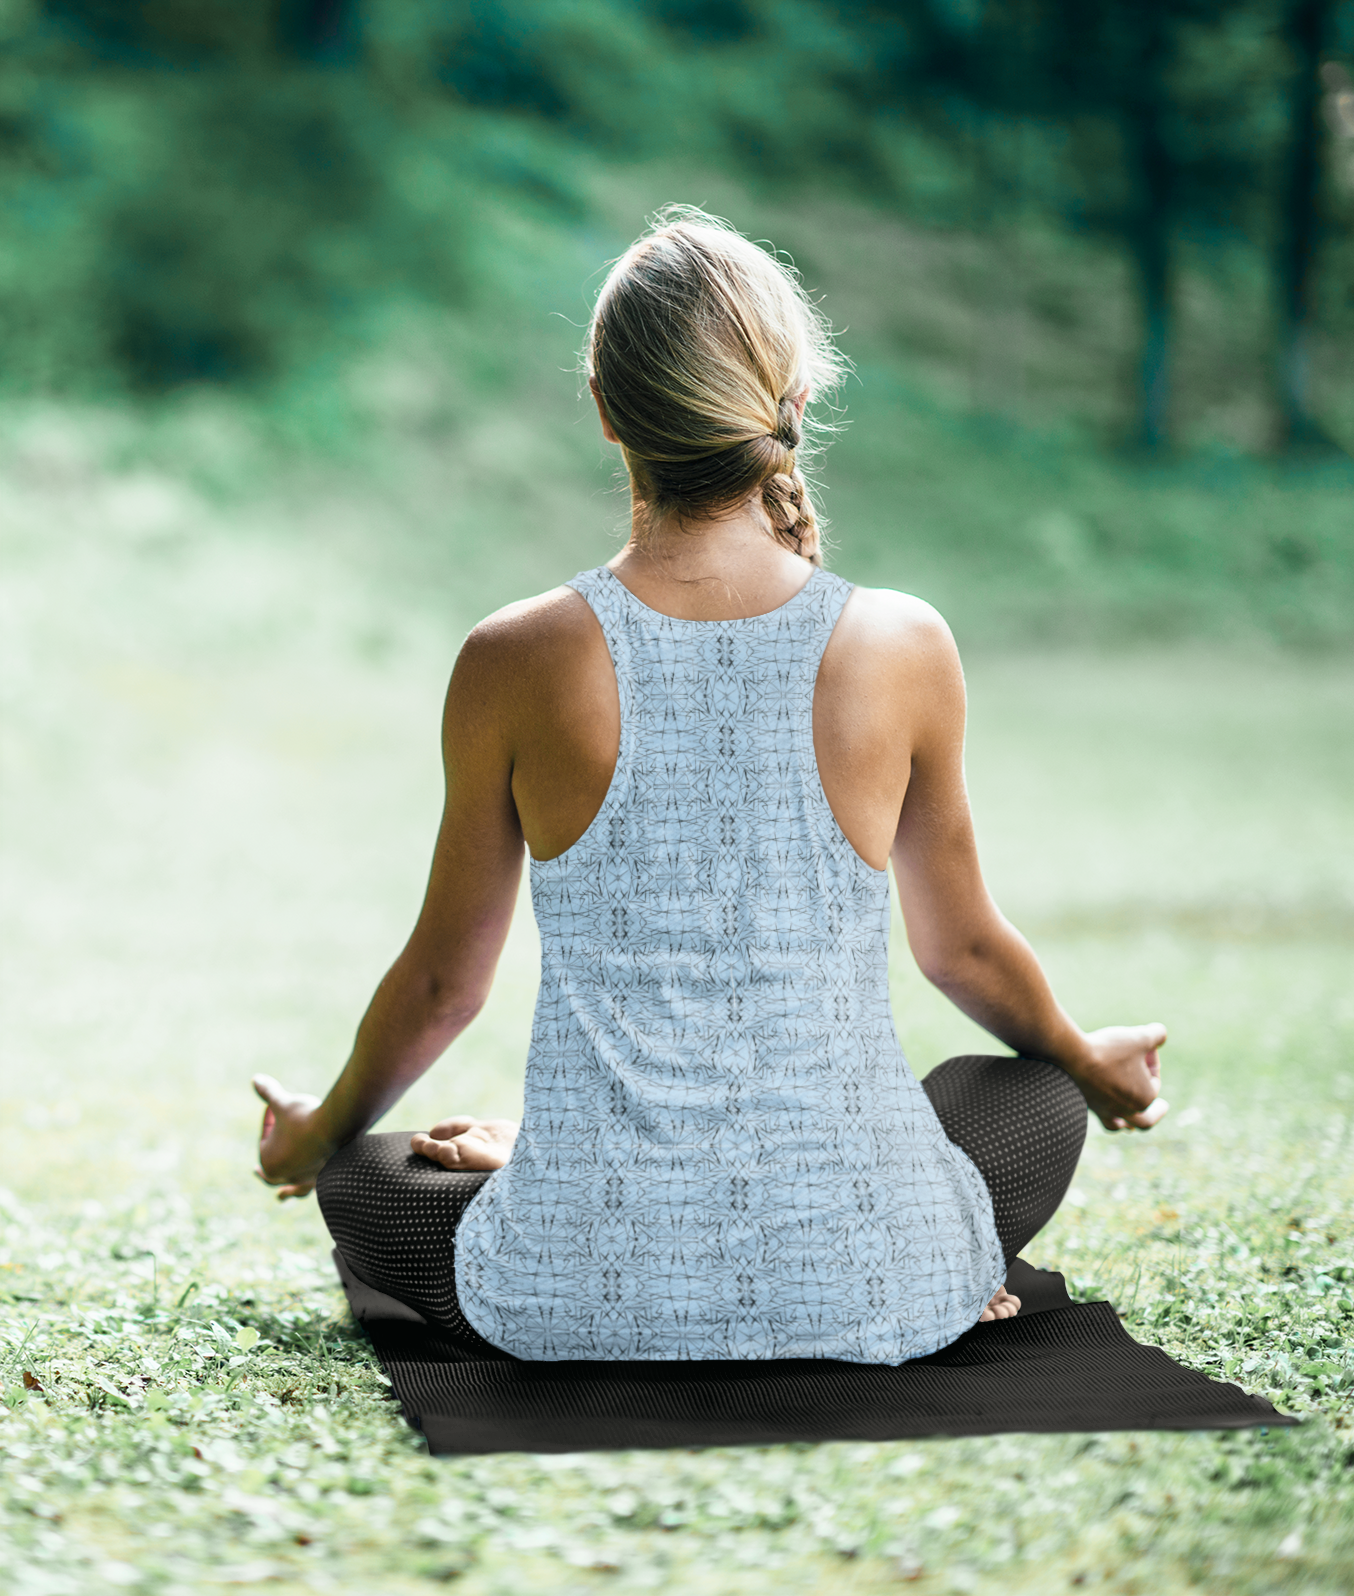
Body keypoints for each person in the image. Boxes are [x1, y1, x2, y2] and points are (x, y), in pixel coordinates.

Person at [254, 208, 1167, 1364]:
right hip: (862, 1273)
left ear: (605, 412)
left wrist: (314, 1133)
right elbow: (966, 957)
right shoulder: (903, 643)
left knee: (370, 1178)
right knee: (1028, 1092)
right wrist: (1090, 1064)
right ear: (791, 405)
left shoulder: (512, 657)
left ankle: (556, 1177)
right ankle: (926, 1252)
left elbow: (445, 983)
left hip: (581, 1290)